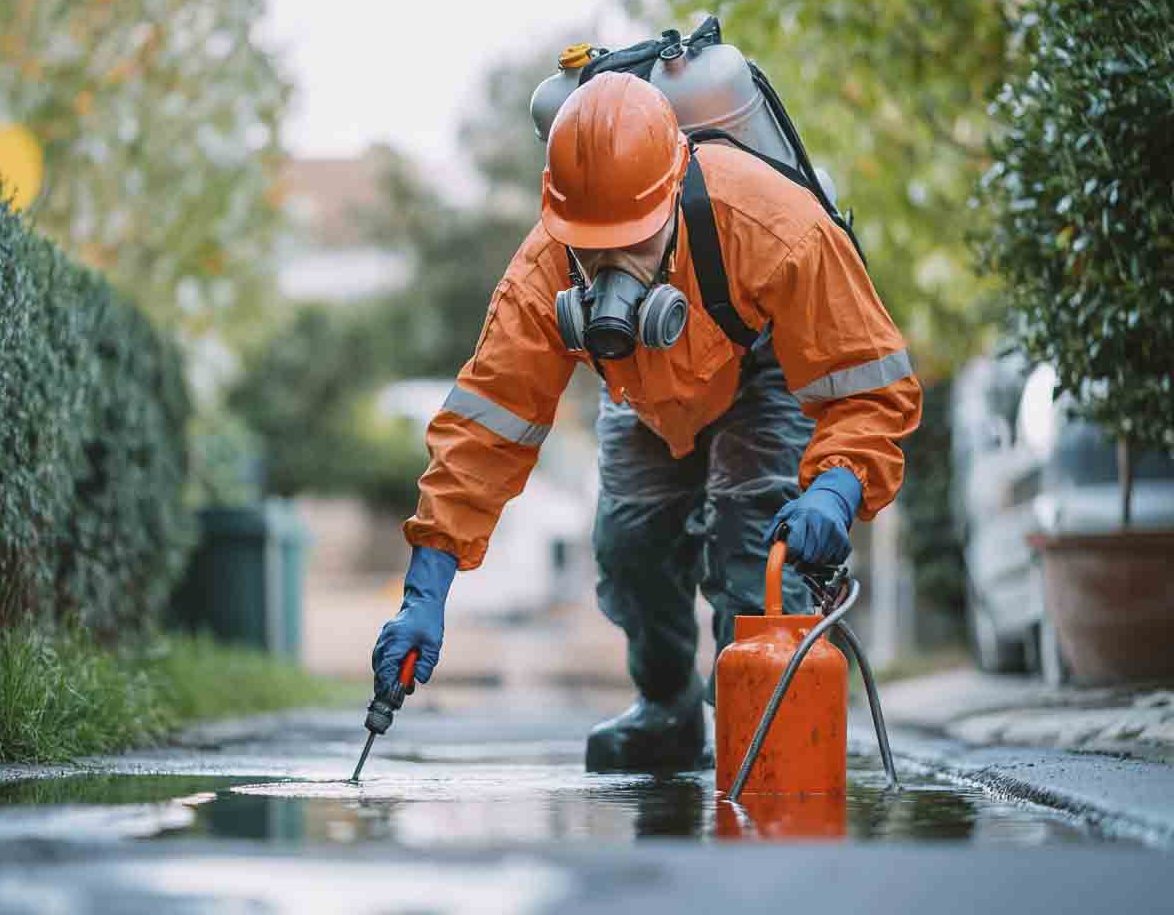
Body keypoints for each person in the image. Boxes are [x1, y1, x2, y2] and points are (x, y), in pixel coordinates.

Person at [371, 72, 922, 771]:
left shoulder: (774, 227)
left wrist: (839, 485)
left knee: (759, 566)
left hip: (764, 371)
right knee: (629, 550)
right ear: (556, 216)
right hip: (641, 388)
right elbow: (485, 431)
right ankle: (667, 708)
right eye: (589, 248)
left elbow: (870, 382)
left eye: (631, 243)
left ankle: (766, 719)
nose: (609, 271)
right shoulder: (542, 275)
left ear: (671, 197)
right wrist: (427, 588)